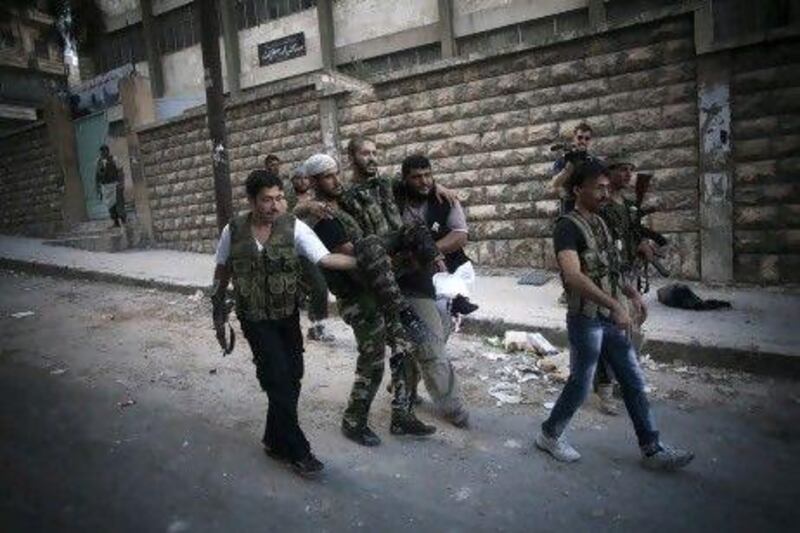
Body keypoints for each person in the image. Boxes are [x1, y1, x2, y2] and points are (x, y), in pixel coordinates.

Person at [535, 160, 694, 471]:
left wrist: (632, 294)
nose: (605, 194)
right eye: (599, 188)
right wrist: (616, 305)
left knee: (633, 380)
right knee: (581, 384)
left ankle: (652, 448)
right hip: (587, 319)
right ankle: (549, 435)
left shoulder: (601, 223)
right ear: (578, 190)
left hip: (609, 315)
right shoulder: (566, 227)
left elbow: (609, 267)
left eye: (608, 188)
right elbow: (573, 277)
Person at [211, 169, 358, 477]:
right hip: (254, 319)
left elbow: (325, 259)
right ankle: (298, 450)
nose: (276, 206)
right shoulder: (233, 230)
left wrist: (363, 261)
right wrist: (219, 311)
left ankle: (273, 438)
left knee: (293, 377)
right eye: (267, 200)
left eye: (279, 198)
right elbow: (222, 270)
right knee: (277, 377)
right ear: (251, 201)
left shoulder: (294, 227)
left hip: (287, 316)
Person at [302, 153, 438, 446]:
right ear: (314, 182)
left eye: (337, 173)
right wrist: (389, 256)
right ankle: (354, 421)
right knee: (373, 359)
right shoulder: (323, 219)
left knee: (404, 347)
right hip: (357, 297)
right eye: (328, 176)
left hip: (378, 288)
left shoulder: (344, 205)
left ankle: (402, 415)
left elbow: (387, 187)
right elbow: (352, 254)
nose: (336, 180)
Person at [393, 153, 472, 427]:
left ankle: (404, 387)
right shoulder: (393, 197)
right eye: (416, 177)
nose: (424, 181)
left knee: (438, 334)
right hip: (410, 283)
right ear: (405, 179)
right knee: (430, 343)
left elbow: (460, 234)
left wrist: (429, 250)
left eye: (428, 175)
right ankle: (454, 407)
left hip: (442, 282)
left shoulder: (444, 198)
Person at [286, 165, 335, 343]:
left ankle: (314, 322)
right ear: (292, 181)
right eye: (298, 178)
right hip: (299, 249)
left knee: (320, 286)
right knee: (320, 286)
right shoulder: (286, 198)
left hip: (319, 246)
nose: (303, 182)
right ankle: (318, 327)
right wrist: (306, 207)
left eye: (306, 178)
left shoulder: (317, 196)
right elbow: (286, 218)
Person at [549, 122, 595, 215]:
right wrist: (568, 168)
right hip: (570, 208)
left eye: (587, 139)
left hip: (589, 208)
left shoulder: (593, 161)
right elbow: (554, 187)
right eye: (580, 137)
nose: (583, 141)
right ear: (574, 138)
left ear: (590, 141)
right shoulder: (564, 160)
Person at [95, 145, 126, 227]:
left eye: (104, 151)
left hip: (114, 184)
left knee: (118, 204)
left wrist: (121, 183)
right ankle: (115, 221)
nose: (103, 153)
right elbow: (97, 175)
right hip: (105, 186)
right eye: (101, 151)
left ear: (107, 151)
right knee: (110, 205)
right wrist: (98, 187)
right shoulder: (99, 161)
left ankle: (123, 220)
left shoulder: (114, 159)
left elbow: (120, 171)